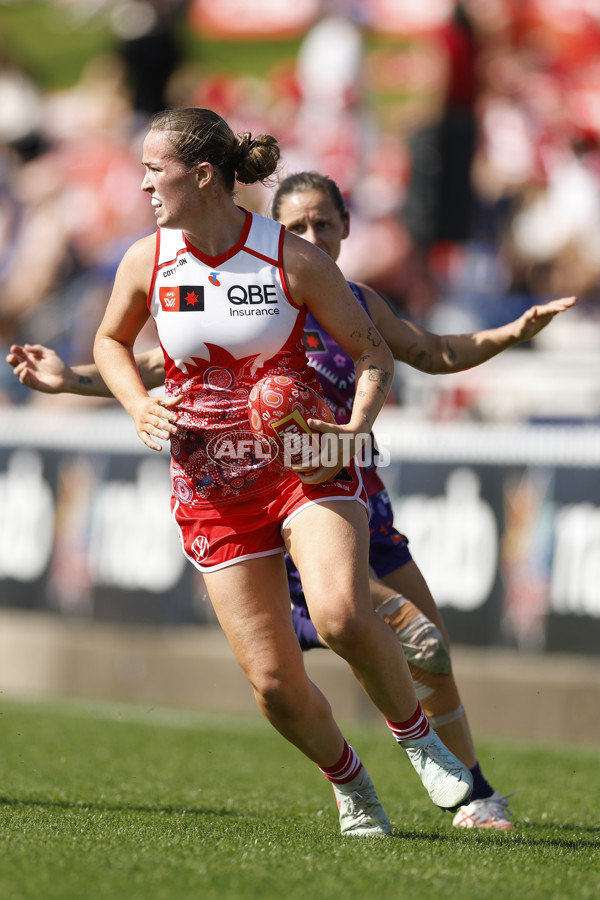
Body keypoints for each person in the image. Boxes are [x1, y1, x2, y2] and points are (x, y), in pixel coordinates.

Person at [6, 169, 575, 831]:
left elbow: (431, 351)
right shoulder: (245, 296)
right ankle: (356, 746)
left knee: (433, 651)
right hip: (268, 500)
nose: (312, 234)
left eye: (323, 223)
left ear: (345, 228)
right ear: (274, 230)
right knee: (317, 652)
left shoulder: (354, 303)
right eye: (297, 225)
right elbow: (160, 366)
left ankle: (473, 792)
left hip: (354, 494)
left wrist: (508, 335)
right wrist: (69, 380)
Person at [89, 107, 475, 837]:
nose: (141, 184)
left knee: (341, 615)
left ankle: (418, 738)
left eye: (153, 170)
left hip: (305, 465)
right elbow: (110, 342)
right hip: (211, 488)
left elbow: (373, 352)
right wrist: (138, 404)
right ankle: (351, 783)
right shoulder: (147, 260)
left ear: (203, 175)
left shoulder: (289, 258)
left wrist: (352, 432)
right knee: (273, 684)